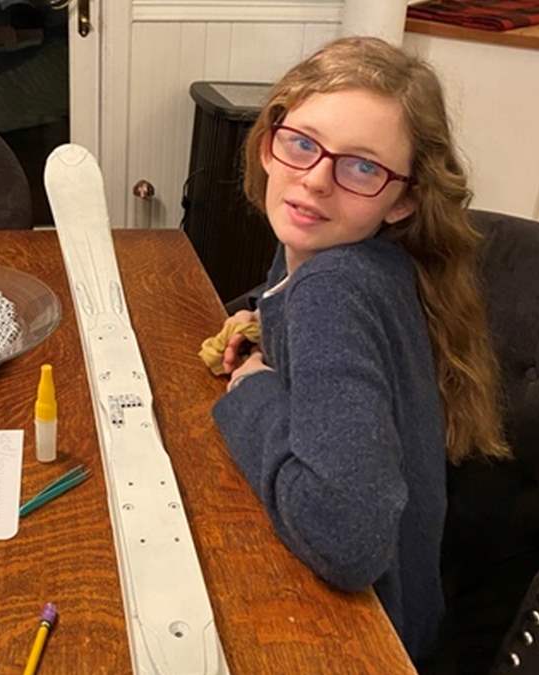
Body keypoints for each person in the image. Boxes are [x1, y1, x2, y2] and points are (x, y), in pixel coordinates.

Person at [210, 36, 511, 664]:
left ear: (403, 197)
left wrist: (253, 391)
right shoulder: (349, 254)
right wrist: (260, 315)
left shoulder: (333, 287)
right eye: (302, 143)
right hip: (412, 607)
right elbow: (287, 293)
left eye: (362, 166)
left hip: (367, 636)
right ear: (272, 138)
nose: (315, 180)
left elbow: (349, 538)